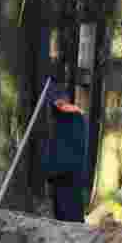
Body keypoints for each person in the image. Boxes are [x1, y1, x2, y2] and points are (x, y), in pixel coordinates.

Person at [40, 86, 88, 222]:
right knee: (63, 209)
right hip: (64, 173)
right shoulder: (67, 120)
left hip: (67, 173)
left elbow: (65, 148)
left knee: (69, 211)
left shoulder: (71, 120)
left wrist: (51, 168)